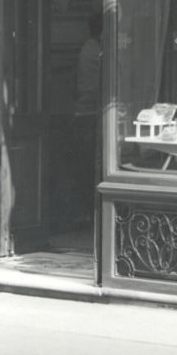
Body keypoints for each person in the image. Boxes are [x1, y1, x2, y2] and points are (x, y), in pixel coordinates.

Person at [71, 14, 106, 229]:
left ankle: (86, 213)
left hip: (86, 112)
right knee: (88, 167)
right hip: (89, 113)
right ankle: (87, 214)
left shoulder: (90, 48)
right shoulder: (95, 51)